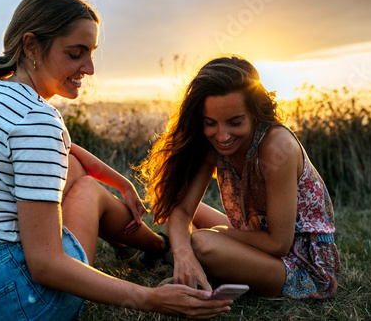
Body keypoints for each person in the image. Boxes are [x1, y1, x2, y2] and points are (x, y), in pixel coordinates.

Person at [0, 0, 232, 320]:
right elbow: (46, 265)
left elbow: (65, 150)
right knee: (87, 190)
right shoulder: (37, 120)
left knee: (74, 170)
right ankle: (157, 248)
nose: (90, 67)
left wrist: (123, 183)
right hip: (10, 302)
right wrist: (152, 299)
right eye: (76, 53)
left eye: (91, 52)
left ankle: (152, 247)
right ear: (32, 47)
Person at [138, 55, 340, 299]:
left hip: (300, 266)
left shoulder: (277, 146)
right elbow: (181, 211)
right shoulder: (213, 146)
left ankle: (174, 255)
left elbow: (279, 244)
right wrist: (183, 256)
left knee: (201, 242)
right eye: (210, 123)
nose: (222, 136)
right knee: (190, 215)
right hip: (256, 242)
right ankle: (179, 259)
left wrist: (220, 232)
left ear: (254, 112)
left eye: (235, 122)